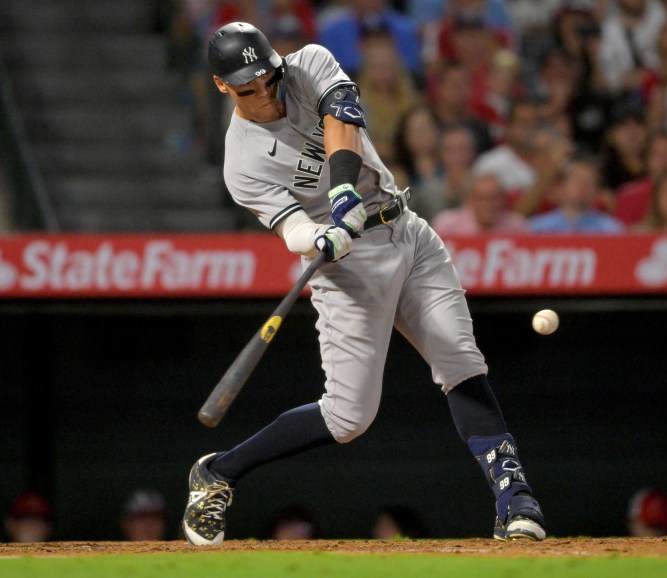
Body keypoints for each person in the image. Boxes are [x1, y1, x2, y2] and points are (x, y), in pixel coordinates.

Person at [182, 21, 546, 547]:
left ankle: (515, 498)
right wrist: (318, 236)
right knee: (348, 417)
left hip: (405, 230)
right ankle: (218, 472)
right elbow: (291, 227)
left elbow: (342, 123)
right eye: (247, 88)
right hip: (347, 268)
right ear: (223, 87)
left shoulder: (306, 63)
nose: (264, 94)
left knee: (458, 358)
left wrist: (345, 193)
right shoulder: (240, 162)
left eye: (268, 80)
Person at [528, 156, 624, 233]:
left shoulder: (612, 230)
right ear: (562, 186)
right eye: (576, 180)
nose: (582, 186)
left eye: (589, 182)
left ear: (596, 191)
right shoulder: (536, 228)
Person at [431, 172, 529, 236]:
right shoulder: (446, 225)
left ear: (503, 199)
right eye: (481, 198)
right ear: (470, 200)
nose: (488, 204)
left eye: (494, 198)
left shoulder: (517, 227)